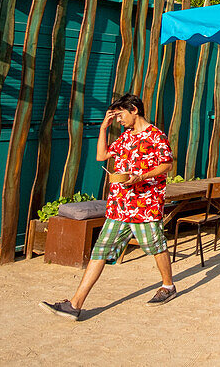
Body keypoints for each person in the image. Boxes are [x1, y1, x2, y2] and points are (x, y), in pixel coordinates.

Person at [40, 94, 175, 320]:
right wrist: (103, 127)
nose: (119, 119)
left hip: (144, 205)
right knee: (100, 250)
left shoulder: (156, 136)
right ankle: (75, 304)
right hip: (119, 207)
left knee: (156, 247)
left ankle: (168, 286)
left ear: (134, 110)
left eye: (121, 114)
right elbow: (101, 156)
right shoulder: (124, 138)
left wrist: (140, 176)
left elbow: (168, 164)